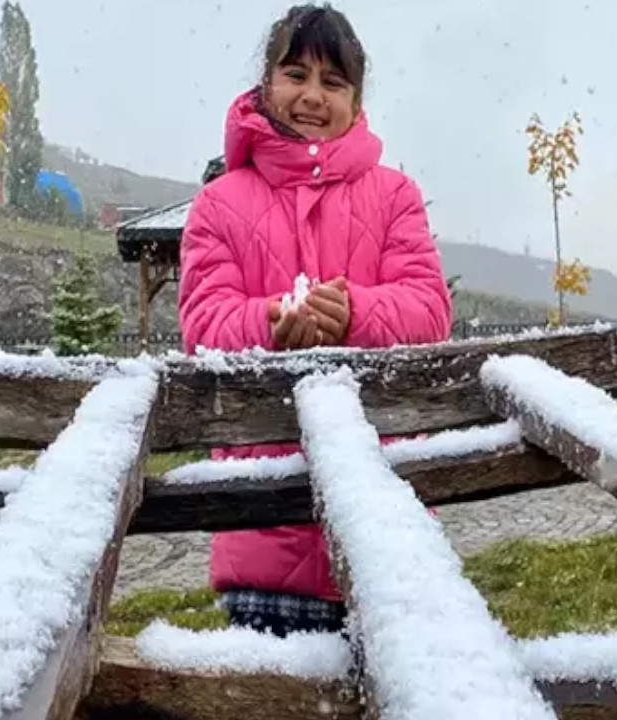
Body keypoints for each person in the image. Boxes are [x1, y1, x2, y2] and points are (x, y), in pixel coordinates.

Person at [177, 3, 453, 637]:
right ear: (266, 84)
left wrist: (355, 309)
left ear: (356, 102)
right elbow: (204, 325)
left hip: (388, 529)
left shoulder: (394, 196)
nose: (312, 95)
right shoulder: (219, 205)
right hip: (266, 533)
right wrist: (268, 321)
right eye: (296, 74)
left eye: (333, 82)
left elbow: (430, 311)